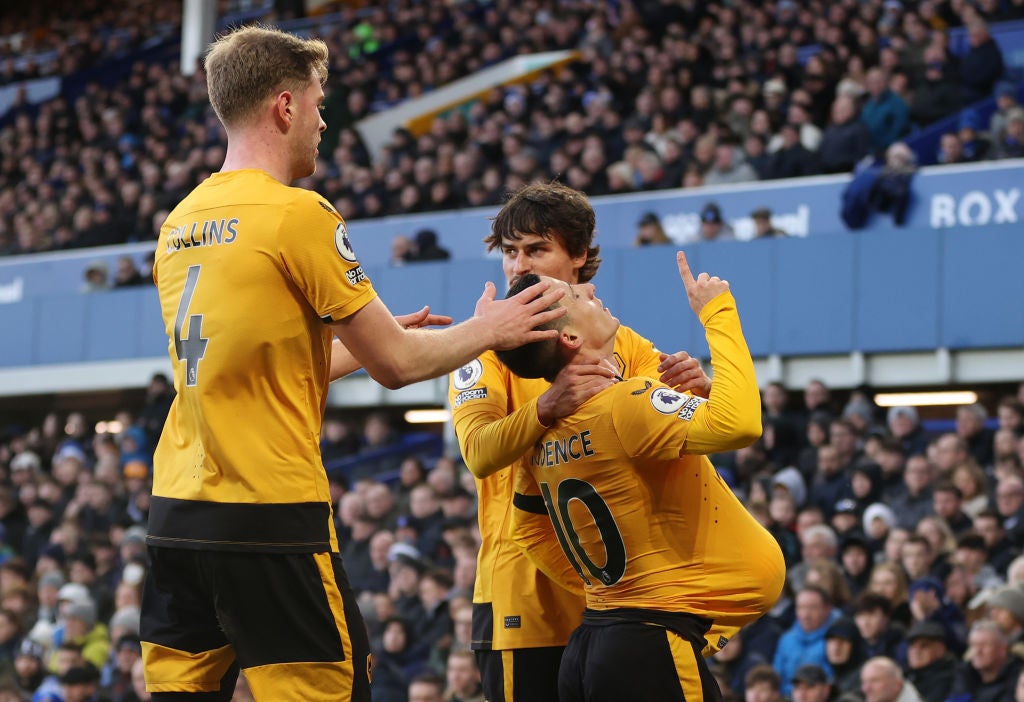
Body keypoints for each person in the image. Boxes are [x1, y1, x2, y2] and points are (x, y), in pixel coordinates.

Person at [141, 26, 569, 702]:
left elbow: (245, 365)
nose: (321, 121)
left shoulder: (180, 222)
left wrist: (339, 350)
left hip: (174, 517)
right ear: (284, 107)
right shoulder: (296, 214)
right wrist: (492, 328)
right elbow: (400, 366)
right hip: (268, 515)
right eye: (317, 103)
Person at [447, 183, 713, 702]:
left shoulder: (627, 343)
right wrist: (548, 407)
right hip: (525, 603)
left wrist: (700, 396)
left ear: (580, 258)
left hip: (626, 605)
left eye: (536, 249)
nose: (518, 265)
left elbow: (674, 452)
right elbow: (478, 453)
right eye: (510, 251)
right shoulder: (482, 345)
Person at [498, 254, 785, 702]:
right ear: (570, 337)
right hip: (649, 640)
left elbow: (526, 529)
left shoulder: (543, 432)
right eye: (579, 295)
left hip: (596, 640)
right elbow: (741, 425)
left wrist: (605, 591)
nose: (591, 290)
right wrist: (718, 312)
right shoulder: (627, 402)